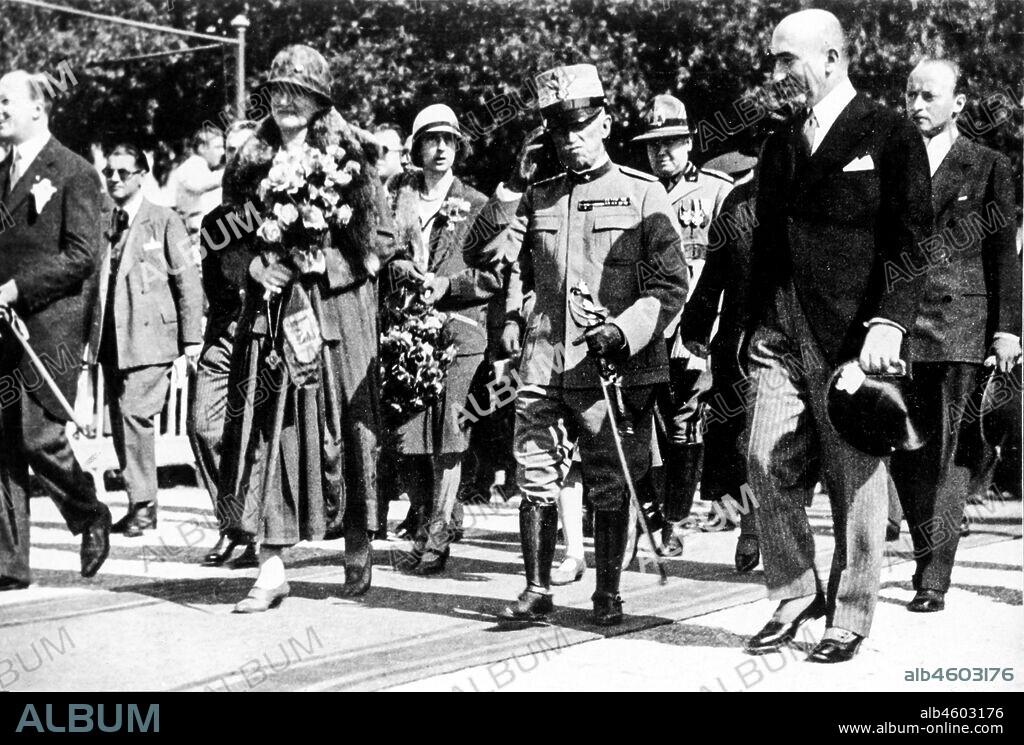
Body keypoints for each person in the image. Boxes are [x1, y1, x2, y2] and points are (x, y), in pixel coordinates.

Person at [742, 9, 932, 662]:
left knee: (857, 477)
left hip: (854, 333)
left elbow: (913, 239)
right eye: (772, 60)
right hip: (779, 328)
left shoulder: (890, 132)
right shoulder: (778, 142)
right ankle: (795, 591)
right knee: (762, 458)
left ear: (831, 57)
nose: (776, 73)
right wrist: (747, 327)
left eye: (786, 59)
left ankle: (849, 615)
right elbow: (765, 244)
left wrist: (889, 322)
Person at [492, 64, 688, 626]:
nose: (570, 138)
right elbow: (493, 256)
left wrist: (623, 331)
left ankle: (607, 594)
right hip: (544, 364)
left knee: (608, 482)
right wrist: (512, 186)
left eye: (580, 125)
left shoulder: (642, 193)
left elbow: (669, 284)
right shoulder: (537, 195)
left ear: (604, 122)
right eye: (559, 129)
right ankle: (536, 589)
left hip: (611, 371)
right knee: (534, 477)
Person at [217, 44, 389, 612]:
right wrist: (252, 267)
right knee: (270, 430)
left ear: (320, 101)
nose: (286, 102)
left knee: (348, 430)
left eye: (300, 93)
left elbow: (383, 241)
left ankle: (358, 539)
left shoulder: (350, 156)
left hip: (336, 314)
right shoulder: (248, 163)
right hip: (272, 313)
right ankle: (270, 568)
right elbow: (223, 239)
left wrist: (328, 263)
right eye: (278, 91)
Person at [889, 59, 1020, 613]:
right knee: (905, 451)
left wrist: (1008, 331)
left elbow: (1003, 256)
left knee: (949, 453)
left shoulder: (988, 165)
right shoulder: (891, 161)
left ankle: (932, 576)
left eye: (930, 96)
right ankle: (926, 551)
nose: (917, 105)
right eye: (910, 95)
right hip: (898, 328)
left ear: (958, 103)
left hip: (960, 328)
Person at [0, 70, 111, 589]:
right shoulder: (1, 173)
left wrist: (17, 288)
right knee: (3, 443)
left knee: (37, 437)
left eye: (5, 101)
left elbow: (83, 256)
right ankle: (9, 562)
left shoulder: (74, 172)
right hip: (3, 329)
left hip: (49, 330)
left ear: (38, 108)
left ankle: (88, 512)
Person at [383, 103, 498, 575]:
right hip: (408, 331)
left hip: (461, 332)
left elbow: (494, 274)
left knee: (450, 433)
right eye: (431, 140)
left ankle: (434, 536)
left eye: (448, 140)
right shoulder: (397, 199)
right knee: (407, 437)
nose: (440, 149)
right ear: (417, 148)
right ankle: (438, 514)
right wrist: (399, 269)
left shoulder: (477, 203)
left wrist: (448, 285)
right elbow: (378, 252)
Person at [632, 95, 733, 553]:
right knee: (645, 426)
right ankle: (653, 518)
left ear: (688, 141)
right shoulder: (636, 190)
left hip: (694, 329)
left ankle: (674, 518)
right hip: (648, 327)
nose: (661, 152)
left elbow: (727, 266)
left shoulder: (715, 190)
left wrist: (708, 333)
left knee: (685, 424)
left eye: (670, 142)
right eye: (653, 145)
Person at [89, 144, 204, 536]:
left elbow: (187, 280)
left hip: (152, 336)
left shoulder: (164, 220)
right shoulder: (103, 221)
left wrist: (191, 339)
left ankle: (144, 503)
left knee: (134, 413)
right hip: (111, 338)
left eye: (123, 172)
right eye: (109, 172)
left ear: (141, 175)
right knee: (120, 419)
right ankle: (139, 502)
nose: (115, 179)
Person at [680, 149, 760, 571]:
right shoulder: (738, 202)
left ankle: (783, 529)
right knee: (742, 440)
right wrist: (696, 324)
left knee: (784, 443)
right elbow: (715, 272)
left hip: (801, 339)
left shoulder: (817, 192)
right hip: (740, 339)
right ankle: (751, 527)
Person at [189, 120, 261, 566]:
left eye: (243, 150)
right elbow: (215, 283)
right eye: (228, 151)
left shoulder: (280, 208)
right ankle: (233, 522)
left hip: (266, 333)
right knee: (204, 425)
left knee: (254, 434)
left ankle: (253, 532)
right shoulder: (215, 220)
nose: (235, 159)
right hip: (225, 333)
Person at [175, 126, 225, 237]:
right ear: (202, 148)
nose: (222, 152)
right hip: (198, 230)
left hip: (204, 229)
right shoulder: (192, 165)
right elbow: (200, 184)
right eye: (217, 147)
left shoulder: (201, 168)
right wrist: (232, 171)